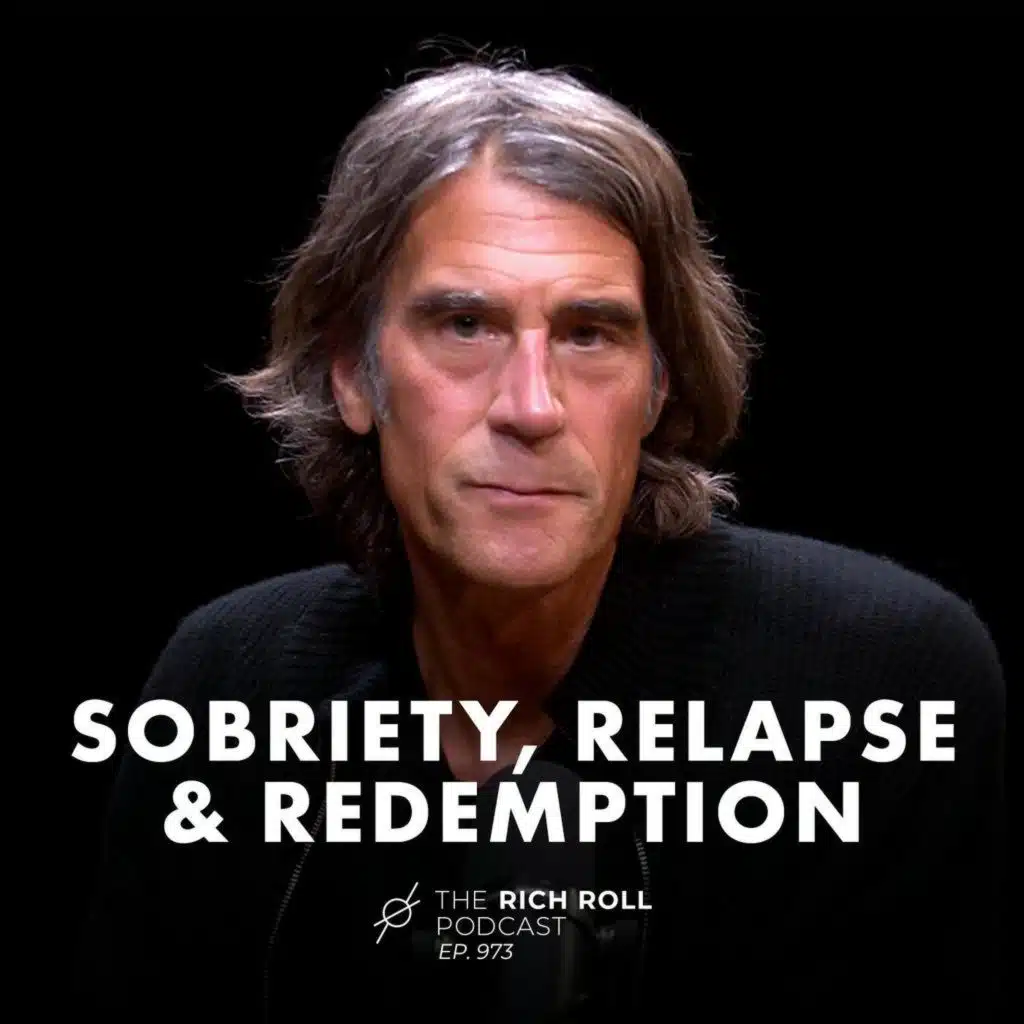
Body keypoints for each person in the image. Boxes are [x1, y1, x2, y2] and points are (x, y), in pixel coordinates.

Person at [74, 60, 1005, 1021]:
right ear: (352, 372)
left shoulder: (877, 683)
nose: (531, 406)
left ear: (658, 386)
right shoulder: (229, 684)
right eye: (465, 324)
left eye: (589, 334)